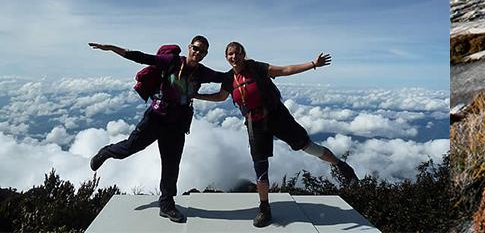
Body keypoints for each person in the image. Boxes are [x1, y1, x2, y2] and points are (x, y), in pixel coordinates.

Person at [196, 41, 358, 228]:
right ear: (226, 57)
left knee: (307, 146)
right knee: (260, 165)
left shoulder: (257, 68)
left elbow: (285, 70)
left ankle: (340, 165)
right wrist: (196, 96)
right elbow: (219, 97)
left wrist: (313, 64)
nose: (234, 57)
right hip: (254, 123)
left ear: (243, 54)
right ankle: (264, 208)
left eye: (237, 53)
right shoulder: (228, 79)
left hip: (277, 116)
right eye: (230, 54)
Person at [87, 36, 228, 223]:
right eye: (195, 48)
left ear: (205, 54)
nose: (198, 53)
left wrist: (257, 72)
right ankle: (106, 152)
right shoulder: (172, 61)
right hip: (155, 119)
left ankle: (167, 205)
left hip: (177, 124)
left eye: (202, 51)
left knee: (171, 165)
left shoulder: (202, 72)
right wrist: (113, 48)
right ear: (189, 47)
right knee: (129, 148)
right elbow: (141, 57)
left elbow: (226, 77)